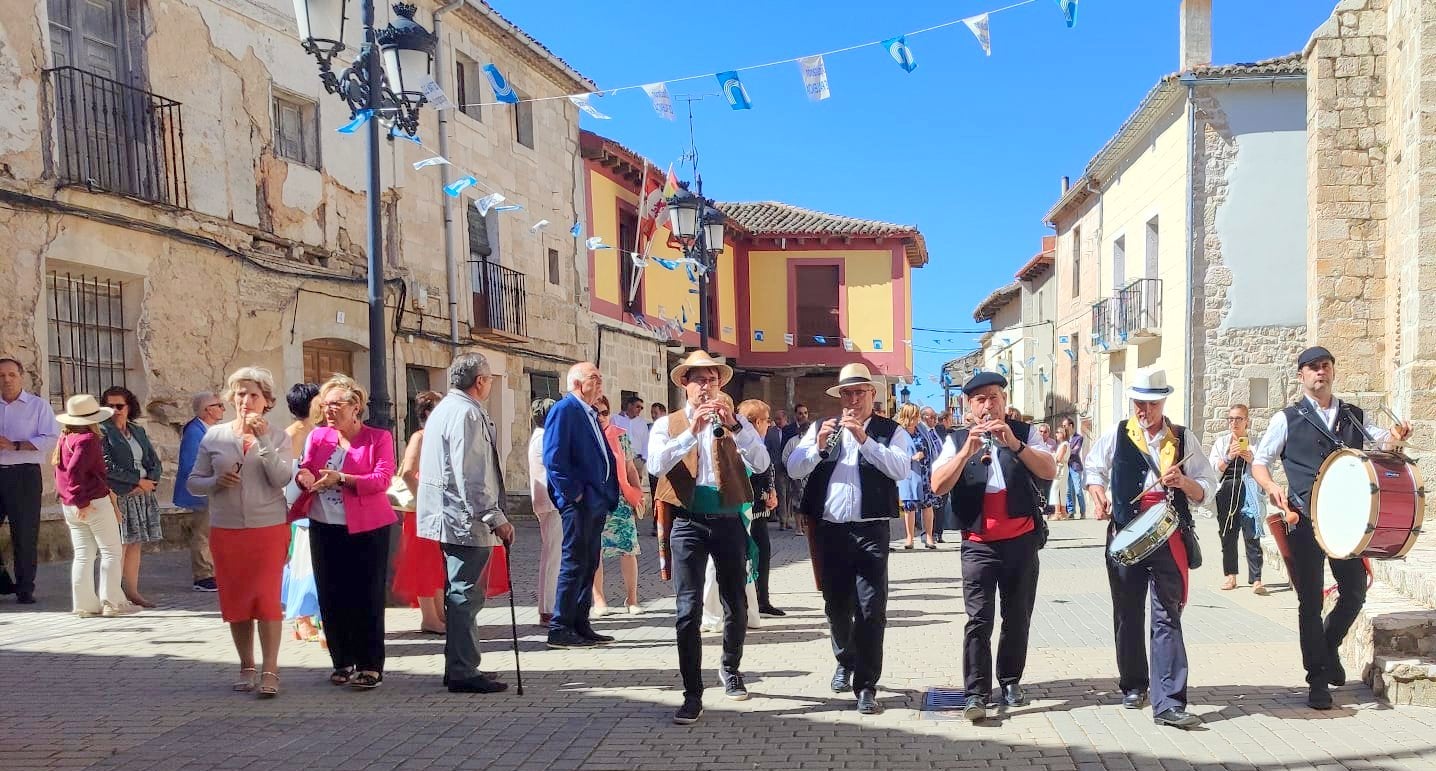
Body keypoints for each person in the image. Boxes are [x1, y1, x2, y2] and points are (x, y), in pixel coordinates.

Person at [1251, 346, 1411, 710]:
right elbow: (1260, 462)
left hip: (1347, 522)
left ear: (1333, 371)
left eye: (1325, 366)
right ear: (1301, 376)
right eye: (1312, 368)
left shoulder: (1353, 416)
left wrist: (1397, 436)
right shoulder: (1287, 418)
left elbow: (1382, 442)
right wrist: (1271, 486)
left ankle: (1328, 643)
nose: (1319, 373)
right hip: (1304, 520)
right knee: (1309, 600)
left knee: (1354, 592)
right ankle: (1317, 679)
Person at [1084, 367, 1217, 729]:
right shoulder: (1118, 433)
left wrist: (1186, 483)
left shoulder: (1183, 438)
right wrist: (1097, 493)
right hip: (1127, 531)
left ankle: (1169, 701)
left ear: (1163, 402)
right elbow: (1093, 468)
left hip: (1169, 536)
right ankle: (1133, 683)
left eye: (1150, 404)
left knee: (1166, 616)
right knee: (1127, 613)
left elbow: (1208, 487)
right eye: (1138, 403)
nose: (1143, 411)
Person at [648, 351, 771, 724]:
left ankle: (730, 668)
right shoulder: (666, 424)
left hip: (727, 519)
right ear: (685, 384)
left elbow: (762, 463)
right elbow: (655, 465)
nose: (707, 387)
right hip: (687, 521)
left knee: (736, 601)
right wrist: (691, 432)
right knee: (687, 610)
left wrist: (736, 426)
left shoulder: (733, 424)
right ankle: (692, 692)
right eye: (700, 380)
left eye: (713, 380)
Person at [786, 363, 913, 716]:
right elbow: (794, 467)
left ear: (873, 395)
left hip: (871, 531)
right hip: (830, 531)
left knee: (871, 609)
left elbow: (901, 469)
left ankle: (867, 684)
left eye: (860, 392)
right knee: (837, 606)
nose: (853, 399)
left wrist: (865, 440)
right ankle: (845, 660)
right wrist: (818, 447)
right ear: (839, 397)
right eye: (847, 393)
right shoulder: (820, 428)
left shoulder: (891, 431)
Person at [931, 372, 1055, 721]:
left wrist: (1014, 445)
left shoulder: (1025, 432)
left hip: (1021, 540)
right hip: (978, 544)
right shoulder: (956, 439)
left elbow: (1049, 470)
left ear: (1004, 400)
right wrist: (966, 451)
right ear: (969, 408)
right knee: (979, 619)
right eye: (980, 400)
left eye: (994, 397)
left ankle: (1011, 680)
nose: (988, 405)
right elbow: (938, 485)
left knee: (1017, 617)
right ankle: (976, 693)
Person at [187, 367, 294, 698]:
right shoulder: (214, 436)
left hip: (268, 527)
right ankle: (247, 665)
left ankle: (271, 669)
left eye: (253, 395)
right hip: (227, 529)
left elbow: (281, 478)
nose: (245, 400)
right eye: (239, 394)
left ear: (266, 401)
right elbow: (193, 482)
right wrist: (216, 482)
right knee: (237, 601)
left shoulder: (278, 436)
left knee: (266, 600)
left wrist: (262, 441)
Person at [417, 353, 515, 694]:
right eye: (489, 380)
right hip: (463, 519)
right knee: (465, 595)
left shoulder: (445, 408)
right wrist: (495, 517)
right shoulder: (467, 413)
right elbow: (471, 472)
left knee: (459, 593)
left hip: (448, 516)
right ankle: (462, 669)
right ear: (481, 381)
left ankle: (459, 663)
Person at [294, 375, 396, 691]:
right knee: (331, 593)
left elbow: (382, 479)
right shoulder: (318, 437)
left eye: (336, 404)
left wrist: (342, 478)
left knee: (366, 596)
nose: (329, 410)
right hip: (324, 524)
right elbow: (306, 468)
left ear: (356, 407)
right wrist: (303, 477)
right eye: (325, 405)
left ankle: (369, 665)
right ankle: (341, 660)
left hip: (368, 527)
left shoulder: (378, 438)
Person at [543, 362, 621, 650]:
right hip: (579, 503)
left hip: (596, 501)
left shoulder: (588, 411)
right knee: (574, 562)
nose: (600, 383)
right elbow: (554, 457)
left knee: (589, 562)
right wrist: (573, 494)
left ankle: (580, 621)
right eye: (594, 378)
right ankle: (561, 626)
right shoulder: (565, 410)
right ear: (577, 383)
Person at [52, 394, 135, 617]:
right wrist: (82, 501)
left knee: (83, 554)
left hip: (70, 504)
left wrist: (74, 500)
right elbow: (75, 473)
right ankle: (111, 602)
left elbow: (64, 474)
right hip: (91, 502)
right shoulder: (87, 439)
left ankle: (85, 605)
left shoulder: (65, 438)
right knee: (110, 551)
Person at [0, 357, 59, 603]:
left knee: (24, 533)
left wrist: (15, 445)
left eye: (11, 375)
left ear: (21, 376)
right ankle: (3, 580)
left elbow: (51, 439)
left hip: (24, 474)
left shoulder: (38, 406)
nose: (6, 380)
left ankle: (25, 588)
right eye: (1, 376)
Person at [100, 386, 163, 609]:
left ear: (129, 407)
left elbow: (154, 461)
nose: (115, 410)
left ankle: (133, 592)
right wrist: (137, 481)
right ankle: (113, 594)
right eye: (110, 406)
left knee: (135, 544)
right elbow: (107, 467)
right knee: (120, 545)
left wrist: (151, 481)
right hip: (119, 494)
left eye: (120, 406)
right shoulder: (102, 432)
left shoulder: (137, 431)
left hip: (142, 494)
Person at [392, 390, 447, 634]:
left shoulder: (434, 437)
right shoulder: (420, 436)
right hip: (422, 510)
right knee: (424, 562)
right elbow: (407, 472)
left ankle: (439, 614)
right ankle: (429, 617)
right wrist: (426, 501)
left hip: (432, 508)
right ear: (428, 412)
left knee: (434, 562)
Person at [592, 394, 644, 617]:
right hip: (593, 500)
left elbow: (630, 467)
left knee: (628, 549)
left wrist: (637, 493)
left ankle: (632, 599)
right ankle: (599, 600)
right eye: (596, 413)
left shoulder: (619, 436)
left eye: (604, 412)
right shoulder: (583, 436)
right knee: (595, 551)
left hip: (620, 500)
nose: (601, 417)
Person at [1208, 404, 1266, 595]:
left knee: (1252, 534)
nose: (1234, 423)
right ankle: (1230, 575)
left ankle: (1256, 579)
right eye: (1231, 419)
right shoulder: (1221, 442)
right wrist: (1228, 457)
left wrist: (1252, 459)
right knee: (1227, 534)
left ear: (1246, 421)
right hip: (1227, 491)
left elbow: (1265, 467)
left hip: (1248, 492)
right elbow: (1212, 470)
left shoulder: (1256, 442)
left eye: (1238, 419)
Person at [281, 383, 322, 643]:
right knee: (300, 561)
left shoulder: (316, 431)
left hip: (314, 499)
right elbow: (289, 474)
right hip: (298, 504)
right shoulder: (294, 434)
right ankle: (301, 618)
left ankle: (313, 616)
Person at [739, 399, 784, 617]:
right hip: (746, 507)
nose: (769, 424)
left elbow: (768, 470)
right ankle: (751, 600)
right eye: (766, 420)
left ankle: (762, 598)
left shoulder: (759, 441)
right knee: (751, 554)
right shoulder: (744, 442)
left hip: (760, 507)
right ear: (757, 422)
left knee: (763, 553)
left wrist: (772, 491)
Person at [175, 391, 224, 592]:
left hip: (212, 489)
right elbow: (190, 463)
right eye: (219, 405)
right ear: (207, 410)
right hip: (202, 490)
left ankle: (212, 571)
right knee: (202, 533)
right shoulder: (194, 431)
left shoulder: (209, 429)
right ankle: (203, 575)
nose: (222, 408)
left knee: (212, 532)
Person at [529, 398, 560, 626]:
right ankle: (548, 608)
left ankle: (550, 605)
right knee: (553, 555)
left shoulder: (539, 436)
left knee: (554, 553)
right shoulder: (544, 437)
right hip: (551, 502)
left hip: (546, 501)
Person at [895, 404, 938, 550]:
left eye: (917, 415)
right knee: (909, 506)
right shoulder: (899, 432)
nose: (916, 419)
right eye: (913, 416)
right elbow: (894, 454)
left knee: (927, 505)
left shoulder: (922, 429)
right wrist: (911, 458)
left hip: (926, 472)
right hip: (909, 473)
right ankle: (909, 538)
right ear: (907, 416)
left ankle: (930, 537)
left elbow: (931, 446)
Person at [1062, 416, 1088, 520]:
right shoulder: (1065, 438)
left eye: (1065, 426)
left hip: (1075, 467)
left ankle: (1083, 512)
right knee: (1068, 490)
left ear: (1071, 426)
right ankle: (1071, 511)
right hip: (1066, 466)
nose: (1063, 428)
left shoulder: (1079, 438)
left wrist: (1065, 450)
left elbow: (1075, 452)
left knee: (1078, 490)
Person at [1049, 427, 1072, 520]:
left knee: (1055, 489)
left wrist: (1053, 456)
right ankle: (1063, 512)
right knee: (1062, 490)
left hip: (1060, 467)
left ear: (1063, 434)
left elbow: (1059, 458)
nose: (1056, 434)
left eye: (1058, 432)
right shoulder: (1065, 444)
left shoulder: (1064, 445)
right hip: (1064, 467)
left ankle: (1057, 512)